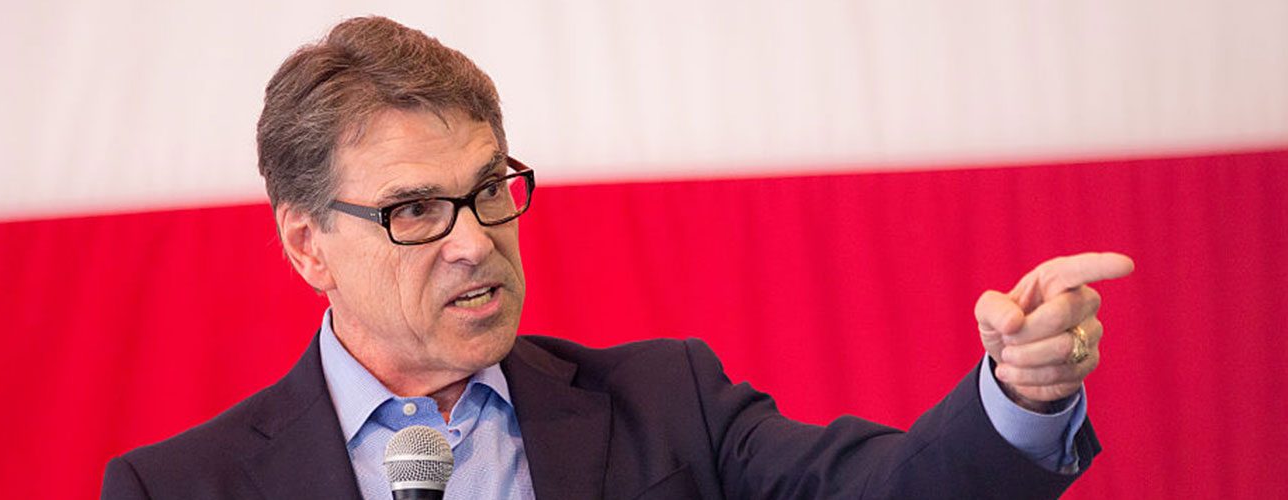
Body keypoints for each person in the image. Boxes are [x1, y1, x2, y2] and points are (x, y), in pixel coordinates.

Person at [101, 16, 1134, 500]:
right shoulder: (179, 487)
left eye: (487, 189)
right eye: (415, 209)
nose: (473, 240)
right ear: (305, 242)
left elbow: (893, 491)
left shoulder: (665, 401)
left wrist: (1019, 390)